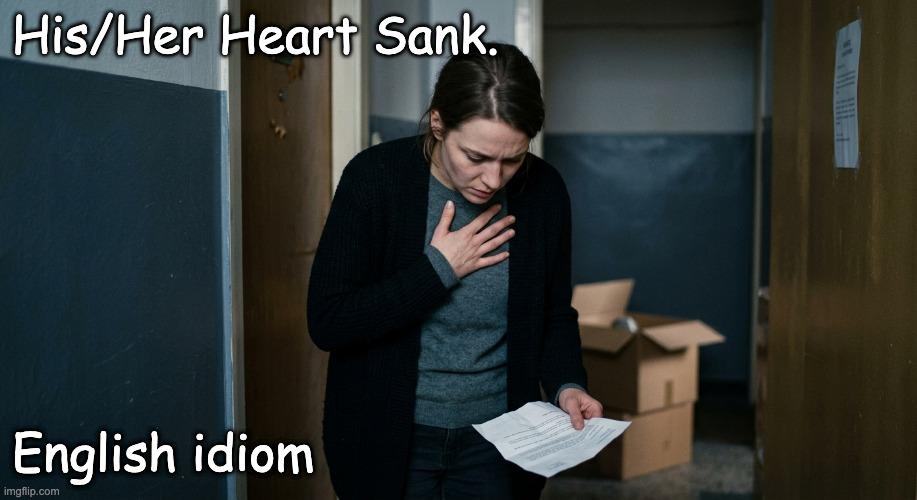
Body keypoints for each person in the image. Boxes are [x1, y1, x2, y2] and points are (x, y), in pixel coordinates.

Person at [307, 42, 603, 499]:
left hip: (500, 441)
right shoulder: (375, 178)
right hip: (387, 438)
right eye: (476, 157)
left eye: (513, 159)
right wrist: (438, 269)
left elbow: (554, 313)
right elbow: (329, 321)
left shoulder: (544, 192)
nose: (493, 179)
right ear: (438, 123)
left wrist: (567, 384)